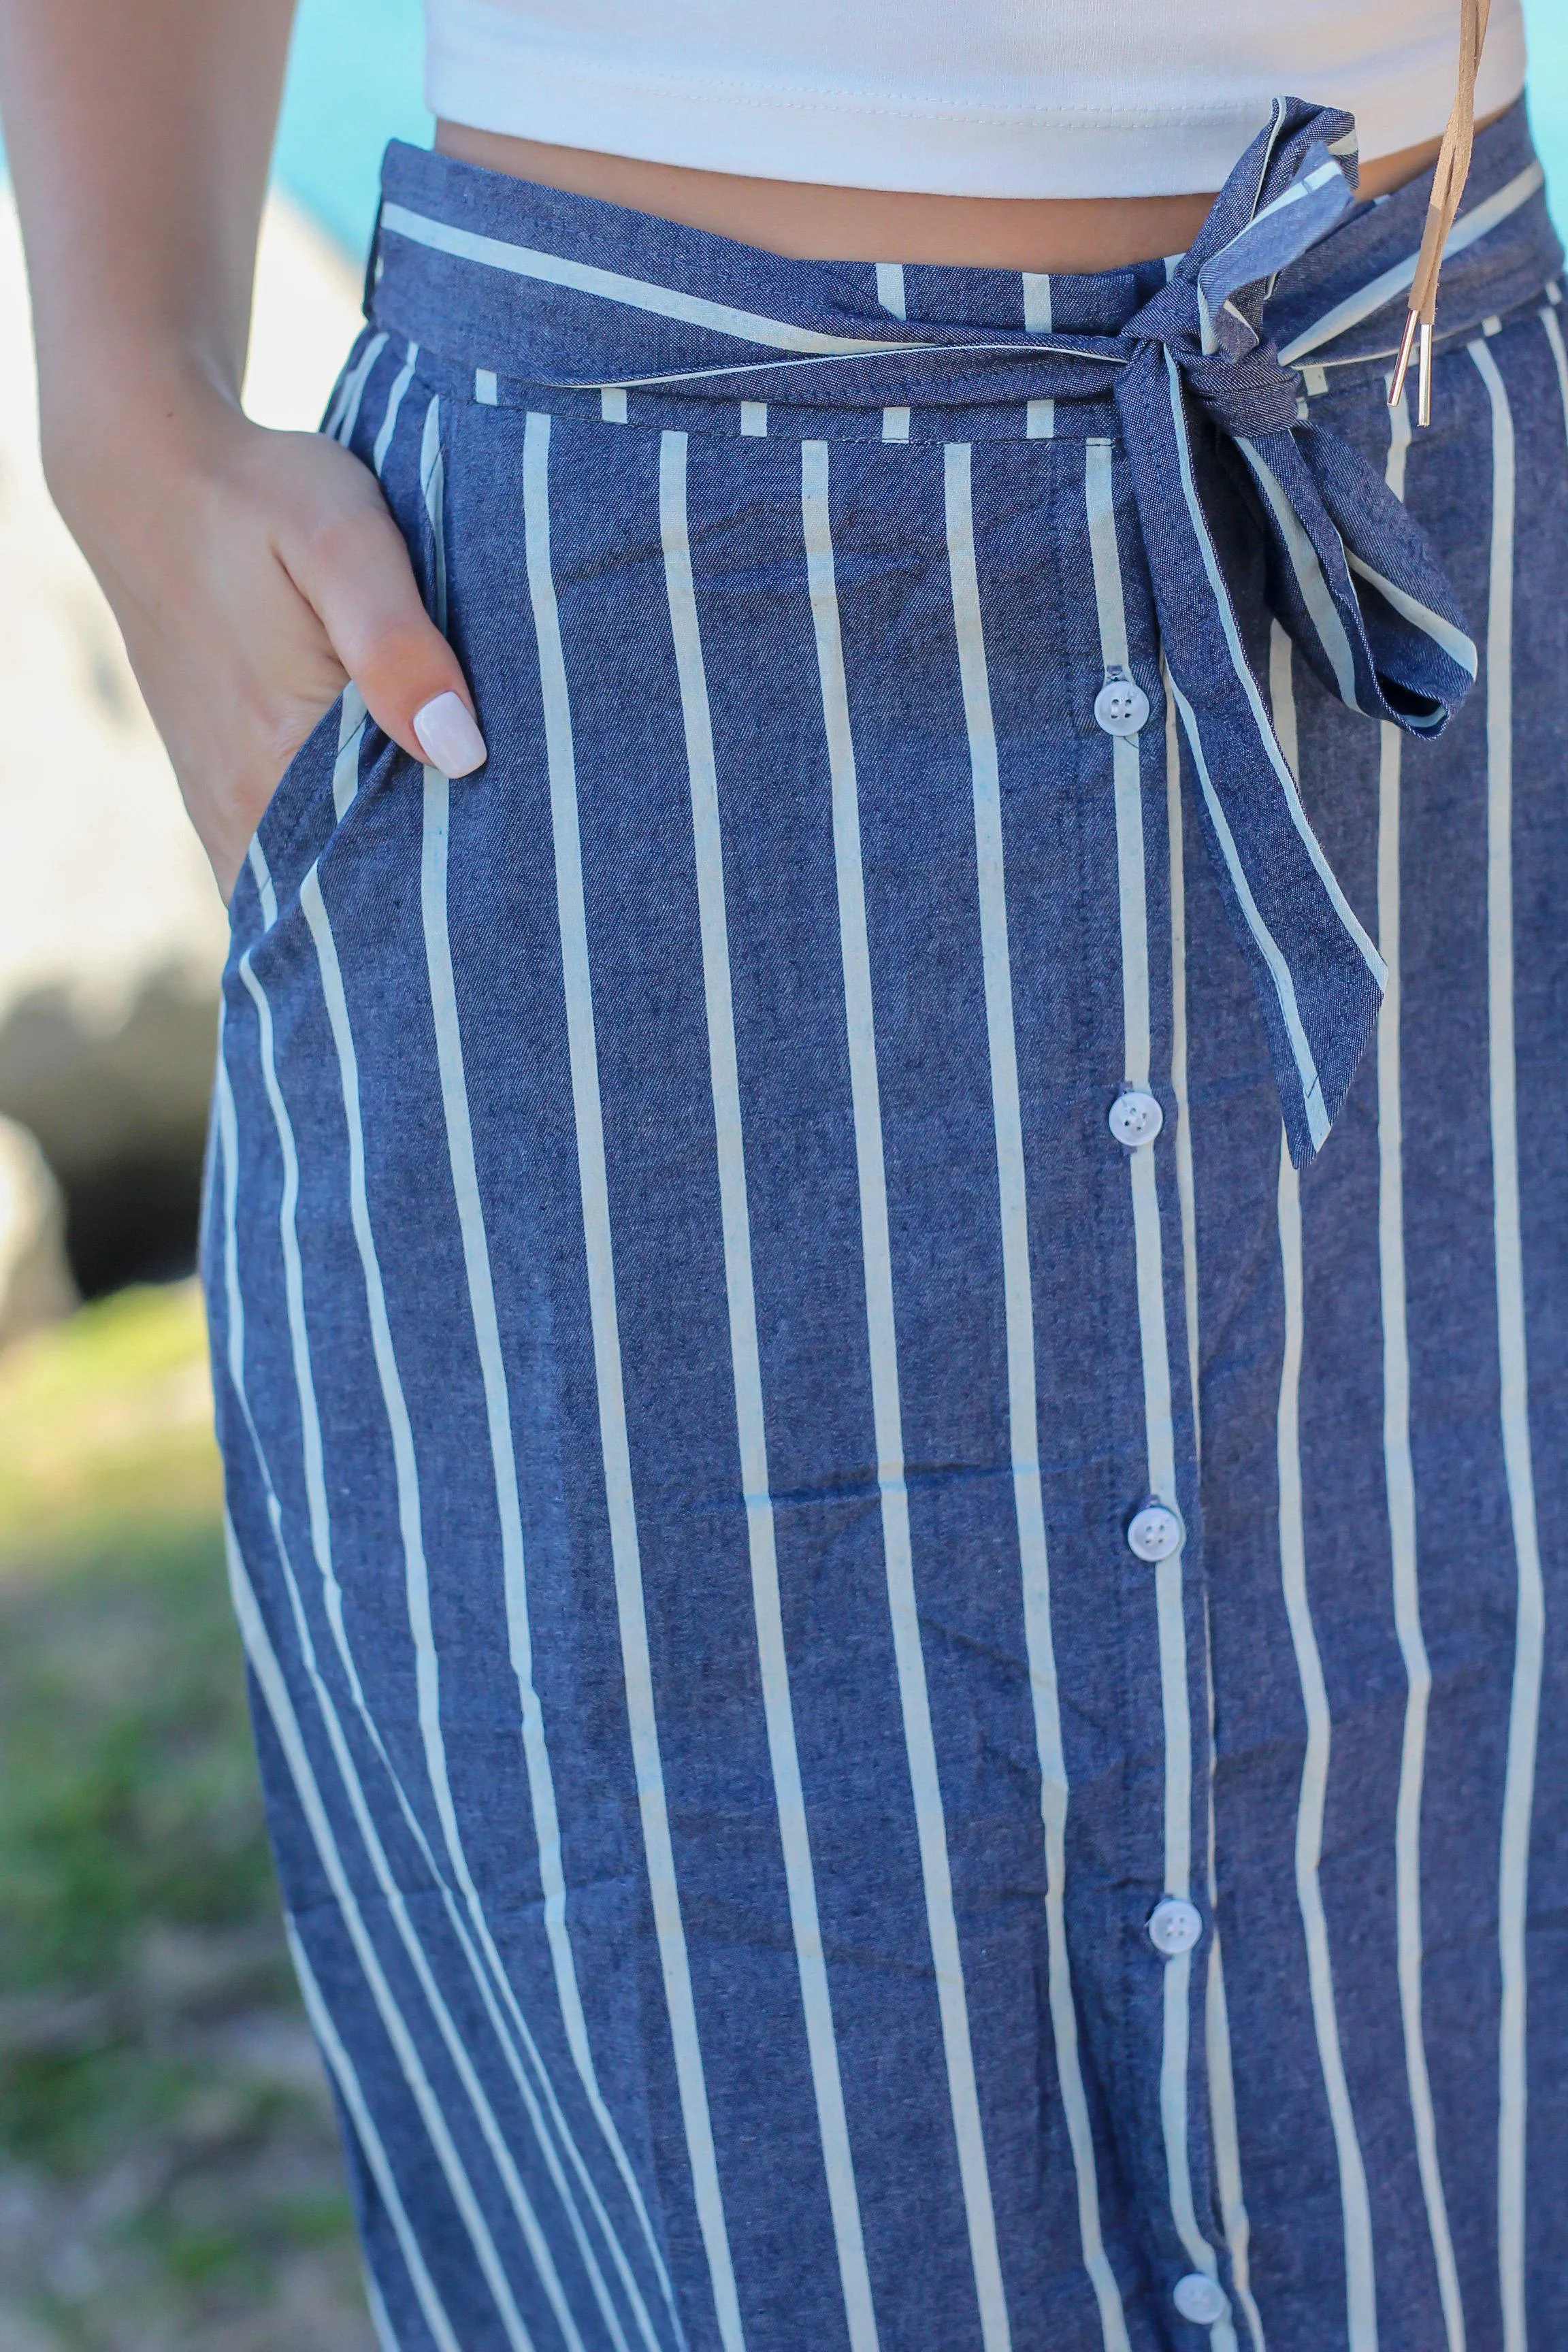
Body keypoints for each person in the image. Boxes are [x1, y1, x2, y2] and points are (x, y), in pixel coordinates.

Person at [0, 0, 1561, 2343]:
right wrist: (124, 411)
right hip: (610, 644)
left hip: (1429, 568)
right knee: (755, 2124)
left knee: (1473, 2063)